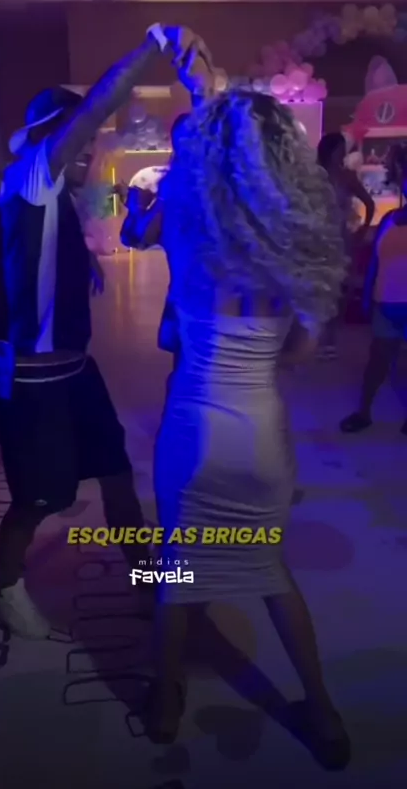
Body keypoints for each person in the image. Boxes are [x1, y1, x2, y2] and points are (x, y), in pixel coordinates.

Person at [144, 85, 350, 769]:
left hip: (193, 429)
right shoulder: (301, 243)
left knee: (177, 566)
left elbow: (171, 328)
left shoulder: (183, 221)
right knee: (268, 568)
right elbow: (299, 355)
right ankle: (322, 712)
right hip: (259, 433)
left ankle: (165, 703)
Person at [0, 26, 208, 639]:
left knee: (116, 477)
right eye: (79, 138)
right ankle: (6, 587)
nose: (88, 149)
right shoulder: (32, 175)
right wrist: (152, 45)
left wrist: (82, 261)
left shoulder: (56, 192)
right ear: (50, 135)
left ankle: (146, 585)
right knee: (40, 498)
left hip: (74, 368)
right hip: (35, 377)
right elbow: (95, 109)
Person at [340, 143, 407, 435]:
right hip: (385, 303)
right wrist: (366, 296)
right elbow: (376, 264)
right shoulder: (390, 220)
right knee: (377, 363)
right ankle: (363, 412)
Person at [120, 114, 191, 364]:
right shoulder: (172, 185)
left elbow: (137, 237)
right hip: (188, 301)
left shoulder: (176, 186)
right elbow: (135, 237)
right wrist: (138, 208)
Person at [317, 132, 375, 359]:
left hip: (341, 239)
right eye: (339, 148)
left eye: (344, 148)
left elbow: (369, 204)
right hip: (318, 237)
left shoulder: (347, 176)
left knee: (340, 288)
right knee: (319, 287)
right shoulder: (313, 175)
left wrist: (363, 229)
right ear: (329, 150)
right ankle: (315, 337)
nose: (342, 153)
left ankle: (331, 338)